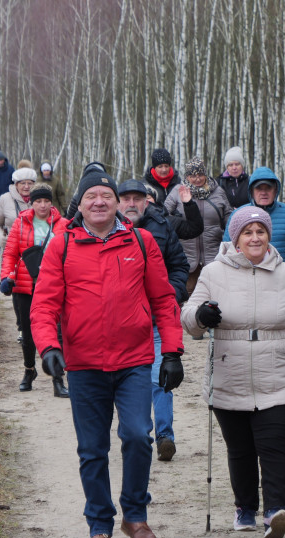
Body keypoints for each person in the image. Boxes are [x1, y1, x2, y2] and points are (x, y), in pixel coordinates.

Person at [31, 169, 185, 538]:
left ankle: (135, 515)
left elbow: (164, 300)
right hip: (84, 365)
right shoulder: (62, 244)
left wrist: (171, 352)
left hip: (133, 361)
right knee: (92, 449)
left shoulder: (140, 240)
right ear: (79, 205)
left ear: (118, 203)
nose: (98, 202)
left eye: (106, 195)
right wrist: (49, 346)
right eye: (90, 197)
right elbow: (44, 303)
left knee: (137, 436)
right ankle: (100, 528)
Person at [182, 206, 285, 538]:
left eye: (261, 231)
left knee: (275, 446)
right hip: (230, 372)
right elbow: (188, 318)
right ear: (236, 238)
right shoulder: (214, 273)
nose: (255, 237)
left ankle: (275, 512)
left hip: (279, 375)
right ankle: (245, 507)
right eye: (248, 232)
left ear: (269, 236)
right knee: (241, 449)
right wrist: (202, 315)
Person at [118, 178, 190, 462]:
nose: (132, 203)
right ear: (117, 201)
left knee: (160, 379)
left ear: (147, 201)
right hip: (122, 324)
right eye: (127, 198)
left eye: (138, 198)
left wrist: (169, 293)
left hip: (157, 321)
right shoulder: (105, 231)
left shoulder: (163, 226)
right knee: (128, 384)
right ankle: (135, 435)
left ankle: (164, 437)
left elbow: (180, 266)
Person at [0, 183, 68, 397]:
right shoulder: (21, 223)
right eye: (38, 201)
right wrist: (6, 277)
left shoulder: (63, 224)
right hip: (25, 286)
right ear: (31, 202)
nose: (43, 205)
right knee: (27, 333)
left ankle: (58, 379)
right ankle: (29, 370)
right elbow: (10, 253)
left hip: (54, 286)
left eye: (47, 201)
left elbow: (70, 254)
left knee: (57, 332)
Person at [164, 156, 231, 297]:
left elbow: (228, 220)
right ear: (187, 176)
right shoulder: (177, 191)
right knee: (187, 297)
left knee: (215, 297)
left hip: (214, 257)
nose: (197, 179)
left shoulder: (218, 192)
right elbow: (163, 216)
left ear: (205, 174)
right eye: (192, 176)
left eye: (200, 174)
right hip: (186, 258)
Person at [223, 166, 285, 265]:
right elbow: (228, 246)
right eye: (259, 188)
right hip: (246, 273)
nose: (263, 193)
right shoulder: (238, 214)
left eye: (268, 188)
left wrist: (283, 265)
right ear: (251, 191)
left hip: (279, 274)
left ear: (275, 190)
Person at [0, 167, 37, 251]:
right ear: (16, 184)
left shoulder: (41, 199)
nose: (26, 186)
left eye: (29, 183)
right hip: (11, 250)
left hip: (36, 250)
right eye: (23, 183)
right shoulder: (5, 199)